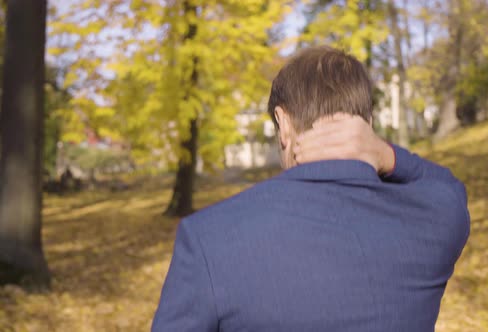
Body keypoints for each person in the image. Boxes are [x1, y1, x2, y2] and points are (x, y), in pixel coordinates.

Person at [152, 46, 470, 332]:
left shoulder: (209, 238)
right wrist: (385, 153)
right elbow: (449, 188)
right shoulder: (433, 220)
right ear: (368, 124)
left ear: (284, 124)